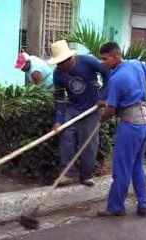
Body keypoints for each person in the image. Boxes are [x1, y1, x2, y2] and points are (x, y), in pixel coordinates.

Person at [97, 42, 146, 217]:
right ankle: (144, 203)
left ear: (116, 56)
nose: (103, 62)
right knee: (137, 165)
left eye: (105, 58)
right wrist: (139, 90)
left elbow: (111, 110)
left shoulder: (117, 79)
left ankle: (115, 207)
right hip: (145, 123)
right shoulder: (136, 64)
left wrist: (101, 119)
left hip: (131, 125)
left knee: (122, 168)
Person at [48, 40, 109, 187]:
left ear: (69, 59)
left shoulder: (87, 61)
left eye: (61, 63)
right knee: (66, 137)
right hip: (73, 108)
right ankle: (67, 174)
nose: (59, 66)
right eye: (57, 63)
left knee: (89, 143)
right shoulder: (58, 74)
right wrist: (58, 120)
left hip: (92, 107)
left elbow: (109, 73)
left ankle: (86, 176)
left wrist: (103, 97)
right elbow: (60, 99)